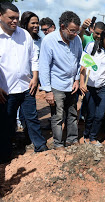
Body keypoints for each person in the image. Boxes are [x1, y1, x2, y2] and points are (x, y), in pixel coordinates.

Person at [0, 2, 48, 163]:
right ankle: (5, 155)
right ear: (0, 16)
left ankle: (40, 147)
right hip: (6, 90)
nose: (15, 21)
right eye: (11, 18)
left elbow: (33, 57)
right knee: (7, 122)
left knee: (32, 118)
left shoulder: (24, 35)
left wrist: (35, 77)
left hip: (27, 86)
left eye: (17, 18)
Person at [39, 11, 83, 150]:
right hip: (56, 85)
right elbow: (44, 66)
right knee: (57, 116)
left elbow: (79, 60)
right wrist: (48, 90)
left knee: (72, 113)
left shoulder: (77, 40)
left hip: (72, 85)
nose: (75, 34)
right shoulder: (49, 40)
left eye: (76, 31)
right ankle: (58, 144)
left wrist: (77, 79)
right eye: (72, 31)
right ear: (62, 27)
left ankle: (72, 139)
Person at [79, 26, 105, 147]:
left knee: (100, 114)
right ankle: (86, 135)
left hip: (102, 87)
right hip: (89, 86)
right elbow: (83, 66)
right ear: (103, 37)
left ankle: (93, 137)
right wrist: (82, 82)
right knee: (90, 114)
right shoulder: (92, 46)